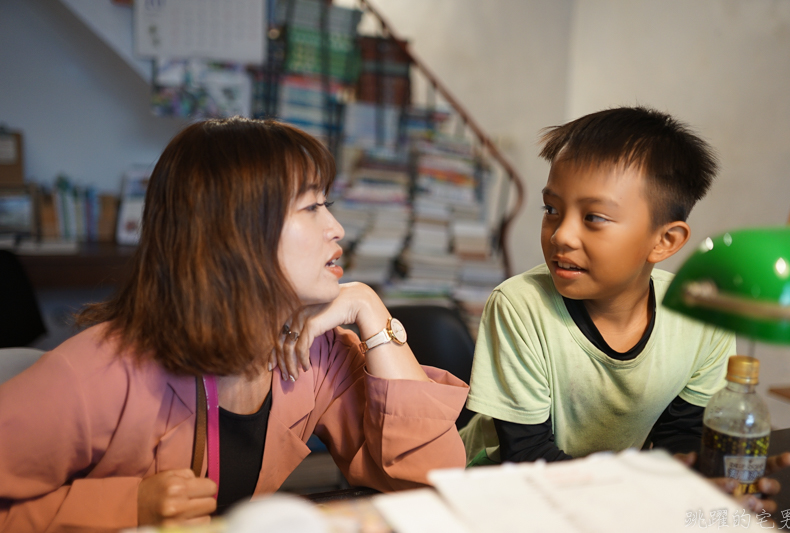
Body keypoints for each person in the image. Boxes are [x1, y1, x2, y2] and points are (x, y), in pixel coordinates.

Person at [0, 117, 469, 532]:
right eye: (312, 207)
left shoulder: (313, 351)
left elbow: (432, 478)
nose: (336, 228)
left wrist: (371, 310)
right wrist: (127, 506)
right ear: (238, 232)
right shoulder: (102, 371)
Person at [460, 106, 790, 508]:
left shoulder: (700, 314)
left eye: (594, 218)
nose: (561, 235)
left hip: (602, 499)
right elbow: (527, 458)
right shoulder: (519, 306)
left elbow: (679, 440)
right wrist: (651, 500)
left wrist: (714, 487)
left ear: (665, 241)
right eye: (552, 210)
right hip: (494, 493)